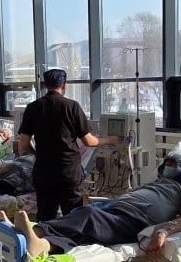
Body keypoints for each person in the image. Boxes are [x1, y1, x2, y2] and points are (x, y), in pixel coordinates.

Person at [3, 150, 181, 262]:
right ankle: (42, 245)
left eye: (173, 165)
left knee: (88, 215)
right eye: (166, 163)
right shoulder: (156, 182)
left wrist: (164, 232)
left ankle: (32, 232)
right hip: (118, 212)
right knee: (80, 229)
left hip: (136, 221)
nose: (167, 167)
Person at [19, 68, 117, 221]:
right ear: (64, 85)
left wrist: (38, 154)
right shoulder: (72, 106)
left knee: (45, 218)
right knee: (73, 219)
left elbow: (24, 145)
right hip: (69, 173)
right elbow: (89, 141)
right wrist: (110, 140)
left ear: (45, 85)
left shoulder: (33, 108)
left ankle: (43, 236)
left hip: (44, 173)